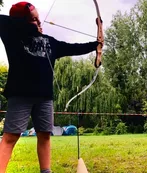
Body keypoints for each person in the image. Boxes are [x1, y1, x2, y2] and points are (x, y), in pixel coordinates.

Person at [0, 2, 103, 173]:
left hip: (45, 97)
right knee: (10, 137)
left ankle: (46, 171)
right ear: (22, 21)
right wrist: (27, 20)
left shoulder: (50, 42)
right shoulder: (12, 36)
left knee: (45, 134)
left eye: (39, 19)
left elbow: (73, 48)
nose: (40, 23)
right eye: (35, 19)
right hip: (20, 95)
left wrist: (96, 45)